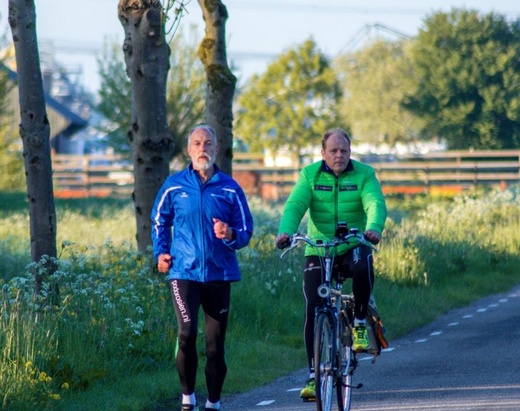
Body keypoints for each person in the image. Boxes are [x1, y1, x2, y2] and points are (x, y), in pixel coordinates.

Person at [275, 127, 387, 401]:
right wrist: (286, 232)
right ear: (323, 153)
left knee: (363, 264)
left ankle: (359, 321)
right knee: (313, 307)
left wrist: (373, 228)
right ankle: (314, 377)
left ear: (350, 152)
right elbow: (295, 206)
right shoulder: (309, 175)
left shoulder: (365, 174)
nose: (339, 155)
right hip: (319, 248)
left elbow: (375, 203)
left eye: (344, 151)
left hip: (351, 243)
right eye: (334, 151)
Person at [151, 125, 253, 411]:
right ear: (188, 150)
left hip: (219, 274)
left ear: (216, 149)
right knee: (186, 333)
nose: (202, 148)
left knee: (214, 346)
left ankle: (214, 403)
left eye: (207, 143)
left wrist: (230, 233)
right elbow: (159, 220)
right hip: (184, 273)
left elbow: (246, 229)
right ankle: (187, 399)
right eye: (197, 143)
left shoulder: (230, 188)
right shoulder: (174, 185)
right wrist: (162, 253)